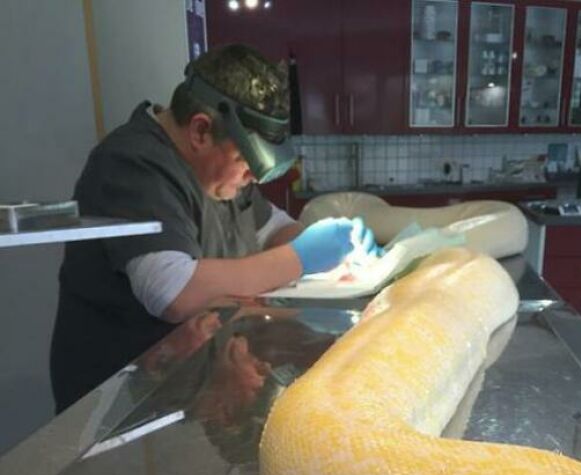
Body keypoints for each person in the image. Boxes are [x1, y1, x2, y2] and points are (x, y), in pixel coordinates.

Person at [50, 43, 379, 412]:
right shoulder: (134, 164)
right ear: (201, 131)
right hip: (118, 405)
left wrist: (340, 247)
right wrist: (302, 257)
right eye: (244, 160)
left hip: (186, 383)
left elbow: (271, 229)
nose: (252, 175)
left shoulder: (219, 173)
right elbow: (175, 292)